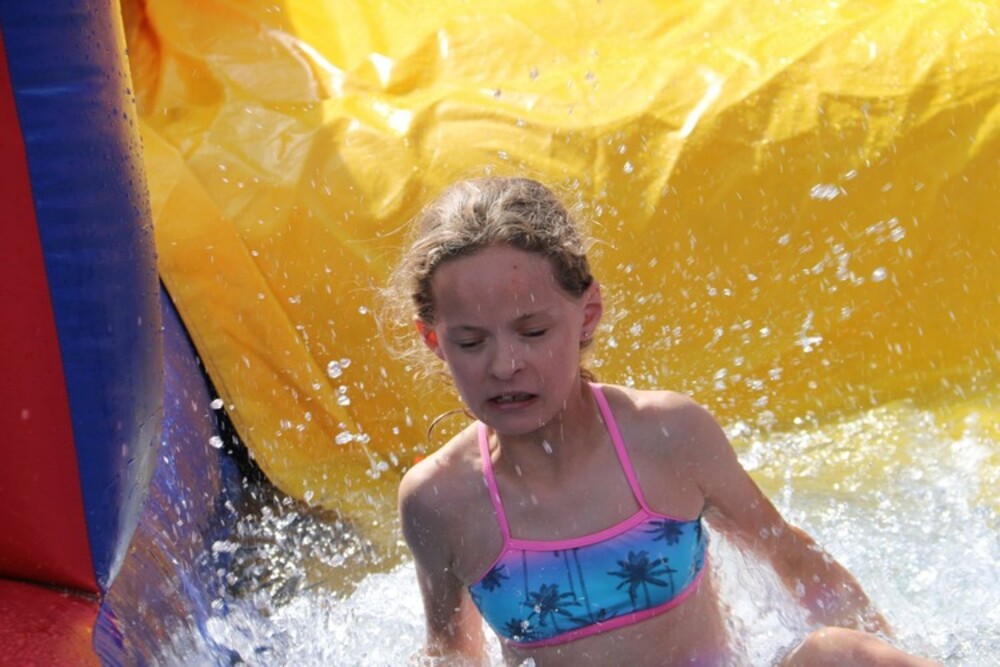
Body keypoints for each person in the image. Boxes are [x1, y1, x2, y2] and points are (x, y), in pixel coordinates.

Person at [385, 176, 936, 666]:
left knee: (838, 653)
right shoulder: (441, 500)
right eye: (471, 342)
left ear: (587, 314)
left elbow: (789, 556)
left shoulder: (666, 436)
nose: (505, 364)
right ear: (433, 340)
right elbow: (451, 656)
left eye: (533, 333)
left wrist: (886, 641)